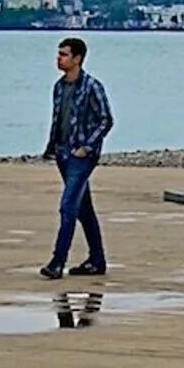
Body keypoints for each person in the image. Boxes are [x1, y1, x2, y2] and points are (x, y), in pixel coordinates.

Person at [40, 36, 112, 280]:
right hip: (63, 153)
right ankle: (97, 260)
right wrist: (53, 148)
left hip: (81, 157)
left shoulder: (92, 86)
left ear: (77, 59)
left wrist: (87, 147)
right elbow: (57, 119)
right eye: (58, 54)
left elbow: (106, 119)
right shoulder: (59, 87)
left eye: (64, 54)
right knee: (84, 210)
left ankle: (57, 261)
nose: (58, 59)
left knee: (68, 206)